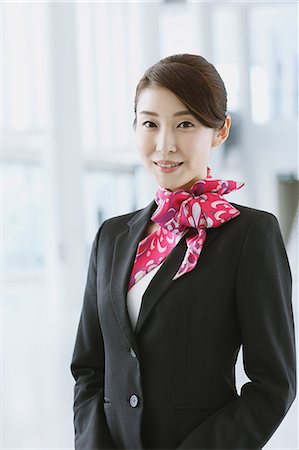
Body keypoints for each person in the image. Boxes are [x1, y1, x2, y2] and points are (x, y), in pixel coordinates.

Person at [71, 54, 296, 450]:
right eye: (150, 123)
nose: (165, 144)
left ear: (220, 131)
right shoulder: (112, 236)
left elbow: (274, 385)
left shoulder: (249, 235)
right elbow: (90, 369)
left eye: (185, 123)